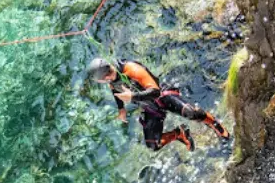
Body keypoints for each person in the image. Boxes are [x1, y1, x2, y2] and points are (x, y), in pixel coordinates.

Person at [88, 57, 230, 152]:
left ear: (105, 76)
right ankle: (179, 134)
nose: (106, 82)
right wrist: (121, 109)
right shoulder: (111, 81)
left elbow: (155, 92)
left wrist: (132, 96)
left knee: (192, 113)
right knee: (152, 145)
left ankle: (213, 123)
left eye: (102, 80)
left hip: (163, 95)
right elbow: (115, 91)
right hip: (149, 107)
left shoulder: (131, 69)